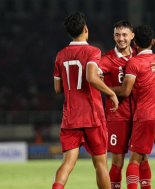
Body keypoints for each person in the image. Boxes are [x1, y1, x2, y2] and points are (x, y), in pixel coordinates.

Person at [99, 20, 155, 189]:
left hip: (139, 115)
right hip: (118, 116)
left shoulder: (137, 54)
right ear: (113, 36)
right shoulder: (107, 58)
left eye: (124, 35)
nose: (121, 39)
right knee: (117, 161)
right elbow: (93, 76)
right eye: (117, 35)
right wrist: (106, 90)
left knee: (142, 158)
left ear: (132, 36)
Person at [52, 12, 119, 189]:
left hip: (71, 117)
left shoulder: (60, 55)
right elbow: (91, 77)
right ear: (85, 30)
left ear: (69, 33)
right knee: (101, 165)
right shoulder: (93, 51)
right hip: (92, 116)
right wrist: (111, 93)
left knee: (67, 164)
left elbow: (58, 89)